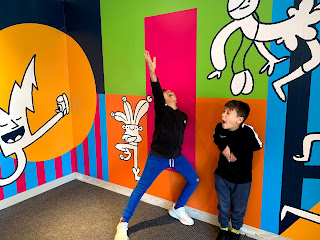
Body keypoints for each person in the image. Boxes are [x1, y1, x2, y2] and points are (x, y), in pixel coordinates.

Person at [114, 51, 199, 240]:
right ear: (164, 100)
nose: (171, 93)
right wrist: (152, 73)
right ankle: (123, 223)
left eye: (171, 92)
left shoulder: (183, 117)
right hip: (158, 158)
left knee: (194, 180)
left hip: (176, 158)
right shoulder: (162, 112)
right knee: (140, 189)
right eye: (167, 93)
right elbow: (157, 91)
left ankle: (177, 208)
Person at [213, 100, 262, 240]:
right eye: (224, 111)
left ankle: (235, 231)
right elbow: (216, 137)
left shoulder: (248, 131)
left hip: (242, 180)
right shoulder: (220, 127)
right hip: (222, 176)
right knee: (223, 206)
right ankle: (223, 228)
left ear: (239, 120)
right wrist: (224, 147)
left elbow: (258, 145)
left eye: (228, 113)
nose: (223, 114)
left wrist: (237, 151)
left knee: (239, 208)